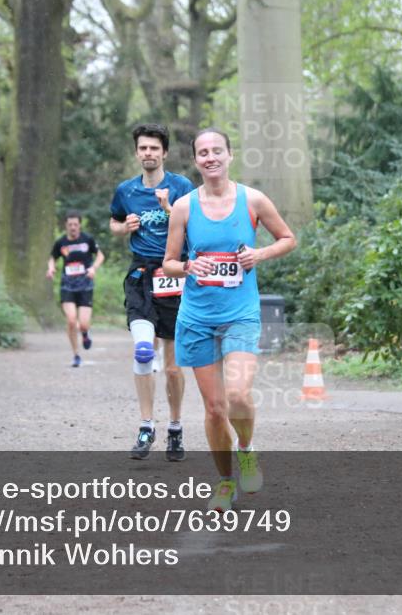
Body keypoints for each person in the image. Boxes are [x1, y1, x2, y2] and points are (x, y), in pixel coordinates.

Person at [163, 127, 296, 512]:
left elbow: (288, 238)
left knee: (238, 395)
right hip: (197, 317)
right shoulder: (185, 207)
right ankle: (224, 482)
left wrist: (260, 255)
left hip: (240, 313)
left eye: (216, 150)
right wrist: (188, 266)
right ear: (196, 160)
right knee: (215, 408)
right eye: (202, 152)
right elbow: (168, 263)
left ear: (229, 155)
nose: (210, 157)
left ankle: (247, 448)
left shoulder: (252, 200)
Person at [110, 123, 194, 460]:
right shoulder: (126, 190)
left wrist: (168, 209)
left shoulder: (182, 186)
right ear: (136, 152)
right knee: (144, 351)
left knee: (173, 367)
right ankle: (146, 425)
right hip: (141, 274)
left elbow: (195, 226)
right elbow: (114, 222)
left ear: (164, 153)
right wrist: (123, 227)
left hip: (173, 273)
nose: (148, 153)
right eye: (143, 148)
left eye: (154, 149)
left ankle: (175, 427)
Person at [47, 210, 104, 367]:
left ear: (79, 225)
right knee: (72, 321)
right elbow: (52, 258)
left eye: (75, 224)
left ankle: (85, 333)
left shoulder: (88, 240)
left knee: (83, 324)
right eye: (70, 224)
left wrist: (93, 268)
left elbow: (100, 256)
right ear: (66, 225)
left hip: (85, 285)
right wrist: (51, 268)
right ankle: (76, 354)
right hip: (68, 286)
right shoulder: (61, 243)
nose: (73, 227)